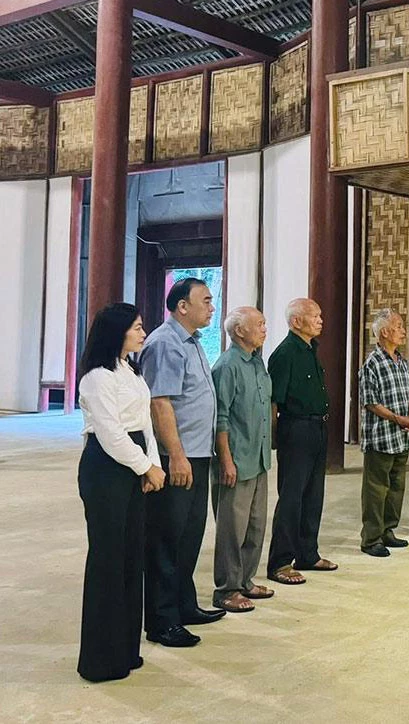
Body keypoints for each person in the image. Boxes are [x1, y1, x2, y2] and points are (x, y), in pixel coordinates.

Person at [76, 304, 167, 682]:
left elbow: (145, 424)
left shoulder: (129, 369)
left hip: (133, 464)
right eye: (137, 327)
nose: (143, 333)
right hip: (106, 467)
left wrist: (153, 463)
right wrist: (144, 465)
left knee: (132, 557)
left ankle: (126, 649)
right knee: (108, 560)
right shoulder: (97, 377)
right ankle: (101, 659)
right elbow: (110, 433)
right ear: (117, 332)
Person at [139, 278, 222, 648]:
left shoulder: (192, 342)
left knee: (189, 536)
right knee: (167, 540)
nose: (212, 307)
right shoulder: (165, 343)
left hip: (198, 454)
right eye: (205, 300)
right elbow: (161, 403)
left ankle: (184, 605)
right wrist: (175, 454)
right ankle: (161, 621)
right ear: (182, 306)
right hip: (179, 457)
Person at [267, 298, 337, 586]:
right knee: (292, 497)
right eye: (315, 316)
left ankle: (307, 553)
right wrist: (273, 440)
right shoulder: (284, 354)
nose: (321, 320)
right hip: (295, 430)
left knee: (313, 495)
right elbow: (274, 402)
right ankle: (280, 561)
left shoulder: (311, 349)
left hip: (317, 428)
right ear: (297, 321)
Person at [210, 307, 275, 613]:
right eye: (259, 324)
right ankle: (227, 589)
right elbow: (220, 417)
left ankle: (246, 580)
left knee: (256, 525)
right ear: (239, 331)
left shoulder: (258, 362)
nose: (265, 328)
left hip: (258, 458)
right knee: (231, 529)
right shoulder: (227, 366)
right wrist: (225, 460)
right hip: (236, 459)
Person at [358, 310, 409, 557]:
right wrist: (397, 418)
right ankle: (371, 539)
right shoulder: (372, 363)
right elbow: (370, 402)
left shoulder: (401, 361)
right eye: (399, 326)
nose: (403, 331)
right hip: (381, 436)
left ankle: (388, 531)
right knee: (376, 489)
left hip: (402, 436)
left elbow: (408, 395)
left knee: (396, 487)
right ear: (384, 332)